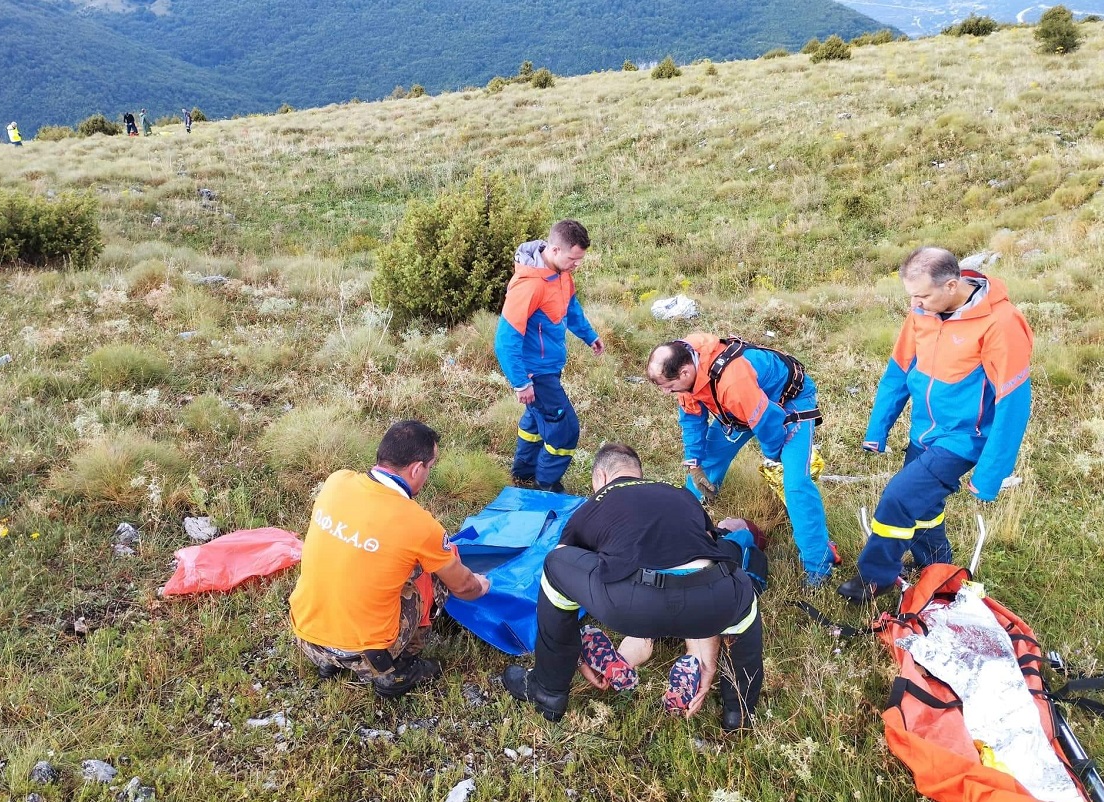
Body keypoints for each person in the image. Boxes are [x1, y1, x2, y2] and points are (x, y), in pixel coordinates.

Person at [503, 443, 763, 729]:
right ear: (639, 475)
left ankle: (548, 690)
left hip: (633, 605)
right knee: (742, 595)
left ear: (600, 478)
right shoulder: (683, 496)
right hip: (711, 601)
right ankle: (738, 710)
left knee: (556, 565)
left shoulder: (596, 502)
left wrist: (571, 644)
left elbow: (568, 560)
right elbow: (705, 553)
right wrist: (709, 654)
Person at [838, 247, 1033, 603]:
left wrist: (990, 474)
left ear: (952, 285)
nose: (915, 303)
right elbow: (898, 370)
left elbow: (1013, 405)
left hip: (963, 439)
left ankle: (876, 576)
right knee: (925, 507)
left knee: (898, 497)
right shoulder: (921, 313)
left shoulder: (1001, 324)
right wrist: (877, 430)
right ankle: (937, 567)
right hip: (922, 432)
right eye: (911, 295)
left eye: (923, 295)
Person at [288, 420, 490, 697]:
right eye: (430, 467)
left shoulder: (337, 481)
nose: (428, 474)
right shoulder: (419, 525)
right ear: (417, 468)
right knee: (432, 573)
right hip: (367, 654)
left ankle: (328, 659)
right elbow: (464, 587)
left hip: (307, 635)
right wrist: (479, 585)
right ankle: (397, 669)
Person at [646, 334, 836, 586]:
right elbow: (691, 416)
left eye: (666, 386)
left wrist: (776, 456)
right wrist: (694, 460)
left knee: (795, 484)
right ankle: (678, 536)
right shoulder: (686, 364)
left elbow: (768, 423)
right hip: (740, 412)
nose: (664, 392)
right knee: (705, 467)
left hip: (787, 404)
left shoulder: (732, 382)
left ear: (684, 373)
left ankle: (818, 567)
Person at [494, 219, 604, 493]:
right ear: (554, 250)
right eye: (573, 258)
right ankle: (547, 485)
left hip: (551, 367)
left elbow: (571, 308)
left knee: (535, 420)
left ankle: (523, 474)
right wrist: (521, 382)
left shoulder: (562, 275)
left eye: (580, 259)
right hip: (536, 373)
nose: (576, 264)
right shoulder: (529, 285)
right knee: (564, 429)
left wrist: (589, 335)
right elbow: (505, 340)